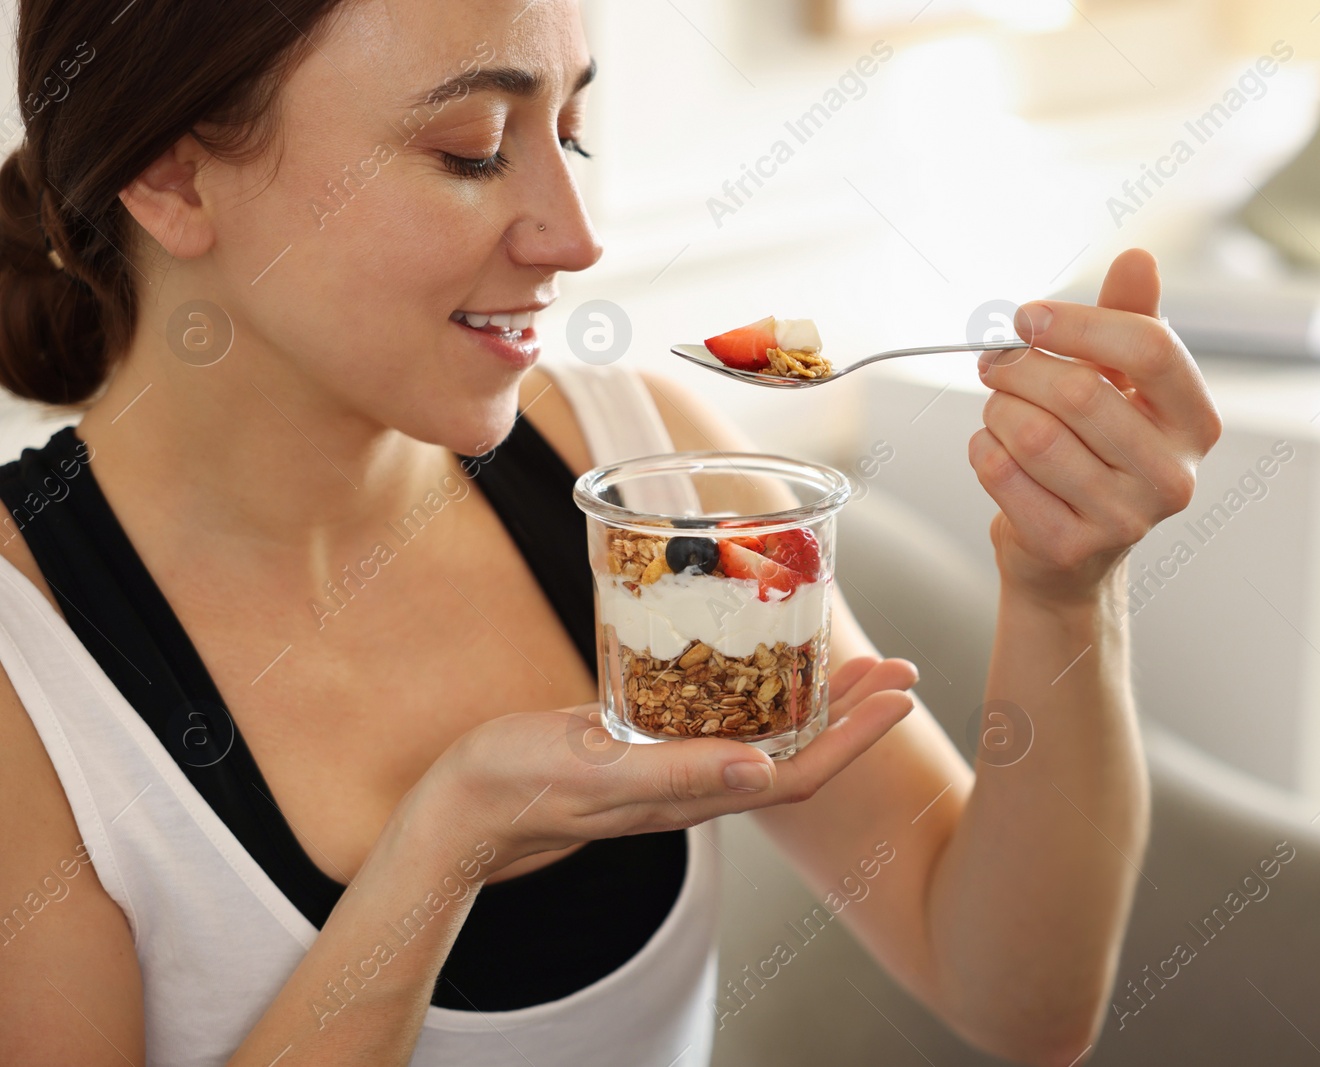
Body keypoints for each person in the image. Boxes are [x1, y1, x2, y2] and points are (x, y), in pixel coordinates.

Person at [0, 1, 1222, 1064]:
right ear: (172, 177)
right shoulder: (27, 668)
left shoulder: (644, 484)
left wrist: (1065, 590)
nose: (577, 235)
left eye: (571, 127)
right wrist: (443, 849)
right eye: (472, 148)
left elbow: (1018, 996)